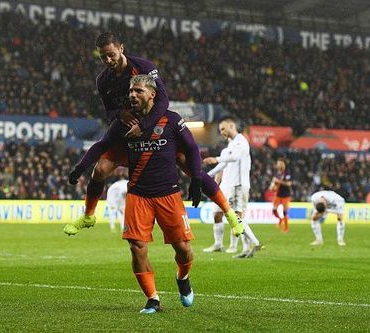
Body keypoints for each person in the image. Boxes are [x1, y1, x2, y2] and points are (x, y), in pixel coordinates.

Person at [64, 31, 244, 238]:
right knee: (100, 169)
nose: (108, 60)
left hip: (155, 125)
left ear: (121, 48)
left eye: (111, 54)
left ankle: (230, 214)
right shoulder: (103, 80)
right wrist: (120, 114)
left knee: (191, 166)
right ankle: (88, 216)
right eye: (103, 57)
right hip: (130, 126)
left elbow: (162, 101)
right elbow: (109, 112)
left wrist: (145, 125)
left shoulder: (144, 68)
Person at [97, 75, 202, 313]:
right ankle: (152, 298)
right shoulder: (124, 123)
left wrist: (196, 179)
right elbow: (103, 147)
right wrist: (85, 168)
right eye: (130, 91)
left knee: (183, 249)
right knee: (136, 247)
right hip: (138, 194)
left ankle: (183, 277)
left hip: (168, 194)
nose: (132, 95)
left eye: (138, 91)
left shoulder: (172, 120)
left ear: (152, 94)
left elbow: (193, 148)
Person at [203, 117, 262, 258]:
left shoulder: (241, 141)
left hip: (239, 185)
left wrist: (216, 158)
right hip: (233, 185)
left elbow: (234, 158)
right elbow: (224, 164)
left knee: (236, 217)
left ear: (231, 126)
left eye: (223, 128)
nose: (222, 132)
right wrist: (205, 175)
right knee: (236, 218)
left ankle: (254, 243)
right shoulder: (232, 144)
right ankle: (248, 248)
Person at [269, 157, 293, 233]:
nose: (279, 165)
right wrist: (272, 187)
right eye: (278, 164)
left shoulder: (287, 173)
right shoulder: (276, 173)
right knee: (274, 210)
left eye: (280, 164)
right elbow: (272, 184)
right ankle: (280, 219)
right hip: (278, 195)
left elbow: (289, 184)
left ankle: (286, 228)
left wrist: (279, 181)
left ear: (284, 164)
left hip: (286, 195)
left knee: (284, 211)